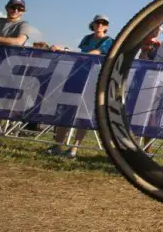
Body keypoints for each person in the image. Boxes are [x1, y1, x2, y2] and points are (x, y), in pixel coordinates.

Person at [47, 15, 114, 159]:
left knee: (84, 112)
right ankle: (58, 145)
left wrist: (69, 52)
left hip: (94, 77)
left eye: (103, 23)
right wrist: (62, 48)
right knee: (66, 108)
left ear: (107, 26)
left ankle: (74, 148)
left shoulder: (108, 41)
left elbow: (95, 53)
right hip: (77, 74)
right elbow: (81, 52)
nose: (100, 25)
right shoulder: (87, 38)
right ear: (93, 24)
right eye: (98, 22)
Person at [0, 0, 34, 141]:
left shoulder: (24, 25)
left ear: (23, 11)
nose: (16, 10)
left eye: (20, 8)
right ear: (7, 8)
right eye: (13, 7)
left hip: (6, 69)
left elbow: (18, 41)